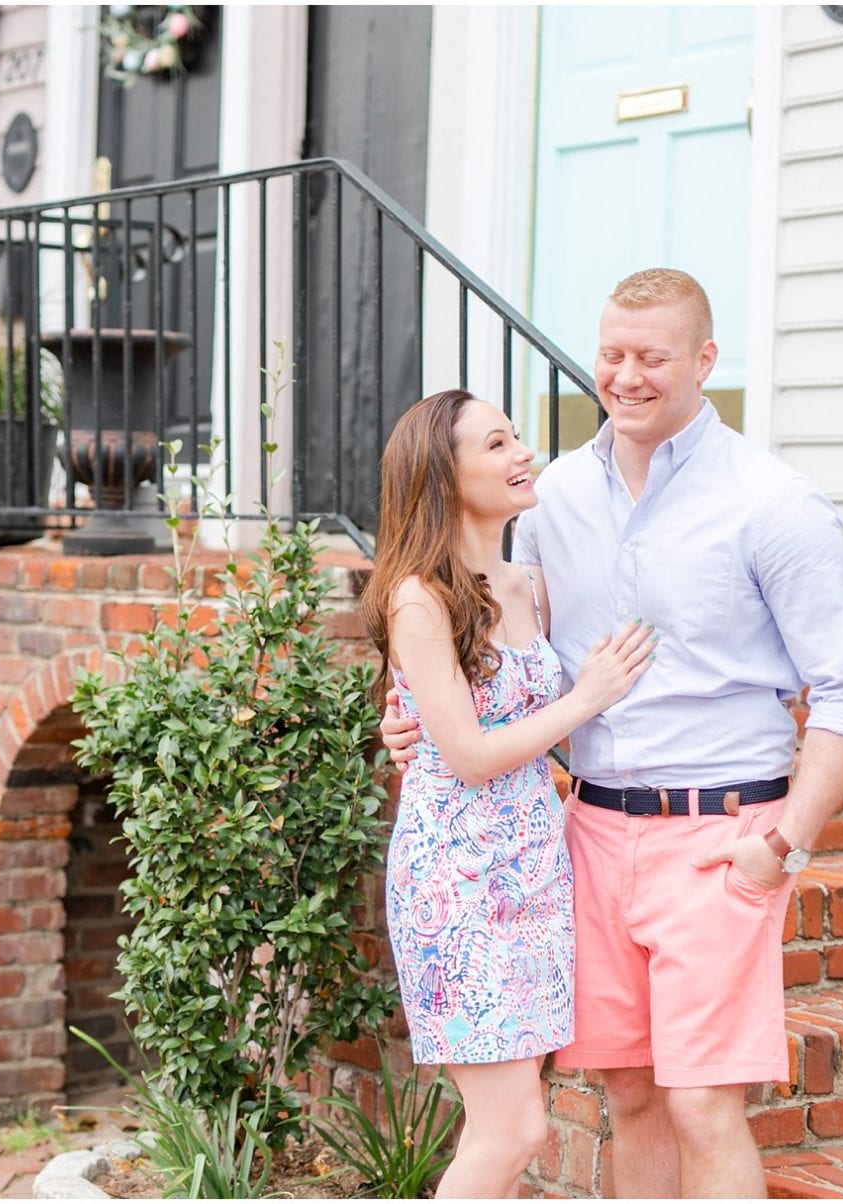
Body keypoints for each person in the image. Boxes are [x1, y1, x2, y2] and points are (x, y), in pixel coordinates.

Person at [380, 269, 843, 1198]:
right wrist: (408, 712)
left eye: (652, 356)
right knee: (631, 1094)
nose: (626, 375)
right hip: (587, 840)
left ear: (704, 360)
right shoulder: (551, 499)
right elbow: (482, 640)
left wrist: (781, 846)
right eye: (612, 353)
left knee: (702, 1104)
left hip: (720, 836)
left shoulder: (774, 504)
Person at [358, 389, 656, 1200]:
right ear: (444, 476)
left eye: (516, 437)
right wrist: (585, 696)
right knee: (515, 1128)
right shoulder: (420, 595)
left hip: (533, 868)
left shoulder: (530, 583)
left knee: (509, 1120)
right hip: (458, 884)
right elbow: (469, 754)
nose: (522, 454)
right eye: (496, 444)